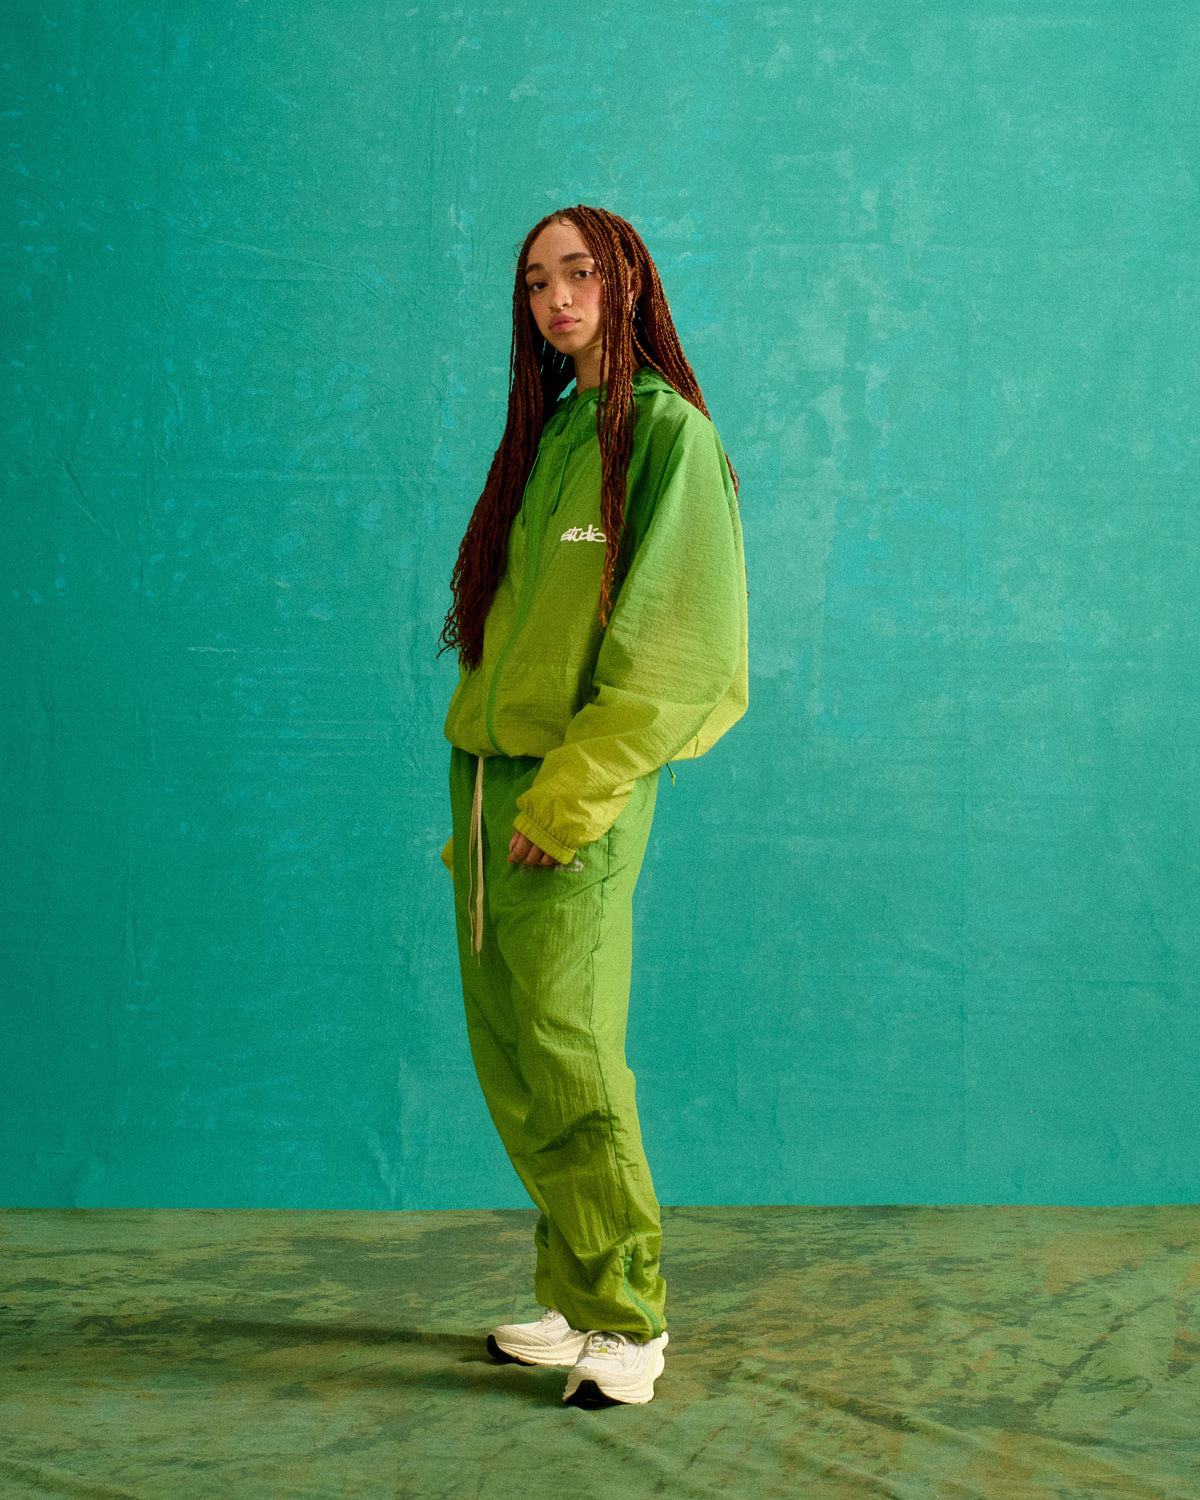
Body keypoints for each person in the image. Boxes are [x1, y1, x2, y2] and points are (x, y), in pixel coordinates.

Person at [437, 204, 748, 1407]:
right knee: (517, 1060)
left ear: (627, 284)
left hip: (571, 797)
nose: (557, 298)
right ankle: (575, 1296)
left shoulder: (666, 436)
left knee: (569, 1053)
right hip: (488, 789)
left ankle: (629, 1318)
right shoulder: (553, 432)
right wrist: (484, 805)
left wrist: (567, 801)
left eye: (579, 274)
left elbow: (680, 656)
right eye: (535, 282)